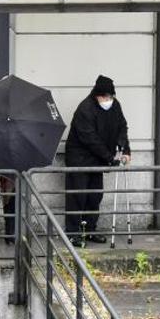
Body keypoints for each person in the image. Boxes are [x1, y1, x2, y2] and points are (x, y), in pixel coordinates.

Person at [64, 75, 131, 245]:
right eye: (105, 97)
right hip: (79, 159)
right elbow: (90, 138)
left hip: (98, 159)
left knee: (95, 196)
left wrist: (125, 150)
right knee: (77, 196)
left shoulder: (115, 106)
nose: (108, 100)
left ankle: (90, 230)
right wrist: (110, 158)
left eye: (111, 96)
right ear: (97, 95)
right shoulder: (85, 109)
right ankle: (73, 233)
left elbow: (121, 127)